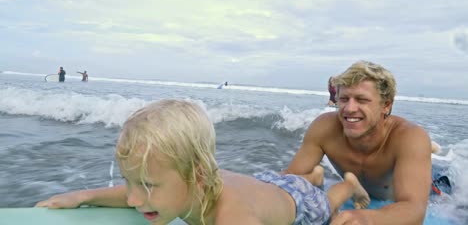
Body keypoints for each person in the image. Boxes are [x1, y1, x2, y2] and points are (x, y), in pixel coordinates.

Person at [36, 99, 370, 225]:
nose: (134, 199)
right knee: (287, 182)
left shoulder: (233, 218)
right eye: (132, 182)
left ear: (195, 175)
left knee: (328, 203)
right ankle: (309, 176)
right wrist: (84, 196)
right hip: (262, 183)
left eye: (147, 186)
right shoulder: (183, 180)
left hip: (298, 203)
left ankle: (344, 184)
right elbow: (132, 193)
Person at [284, 60, 435, 224]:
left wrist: (368, 219)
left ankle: (427, 151)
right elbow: (290, 179)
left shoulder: (410, 137)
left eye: (361, 100)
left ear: (386, 105)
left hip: (433, 188)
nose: (349, 108)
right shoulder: (325, 127)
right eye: (344, 99)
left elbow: (414, 211)